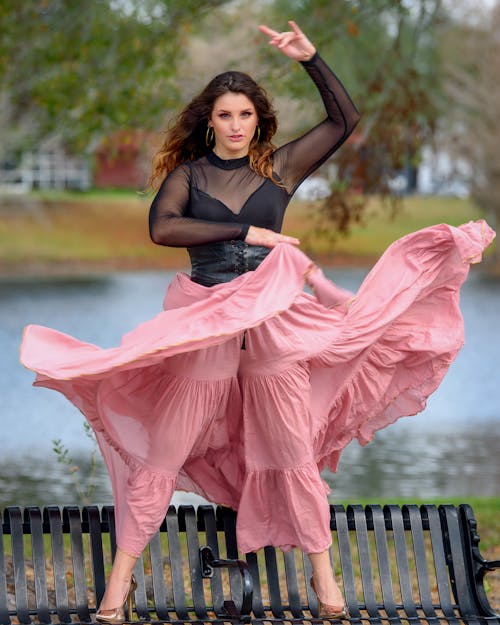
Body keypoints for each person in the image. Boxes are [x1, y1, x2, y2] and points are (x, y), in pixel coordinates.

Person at [20, 20, 494, 625]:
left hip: (274, 324)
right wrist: (247, 230)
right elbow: (162, 229)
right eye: (225, 115)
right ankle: (116, 595)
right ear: (209, 121)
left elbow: (344, 122)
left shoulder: (280, 167)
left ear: (258, 119)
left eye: (246, 113)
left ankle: (330, 597)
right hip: (208, 321)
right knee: (165, 453)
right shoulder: (188, 176)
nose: (237, 124)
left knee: (292, 451)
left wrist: (311, 58)